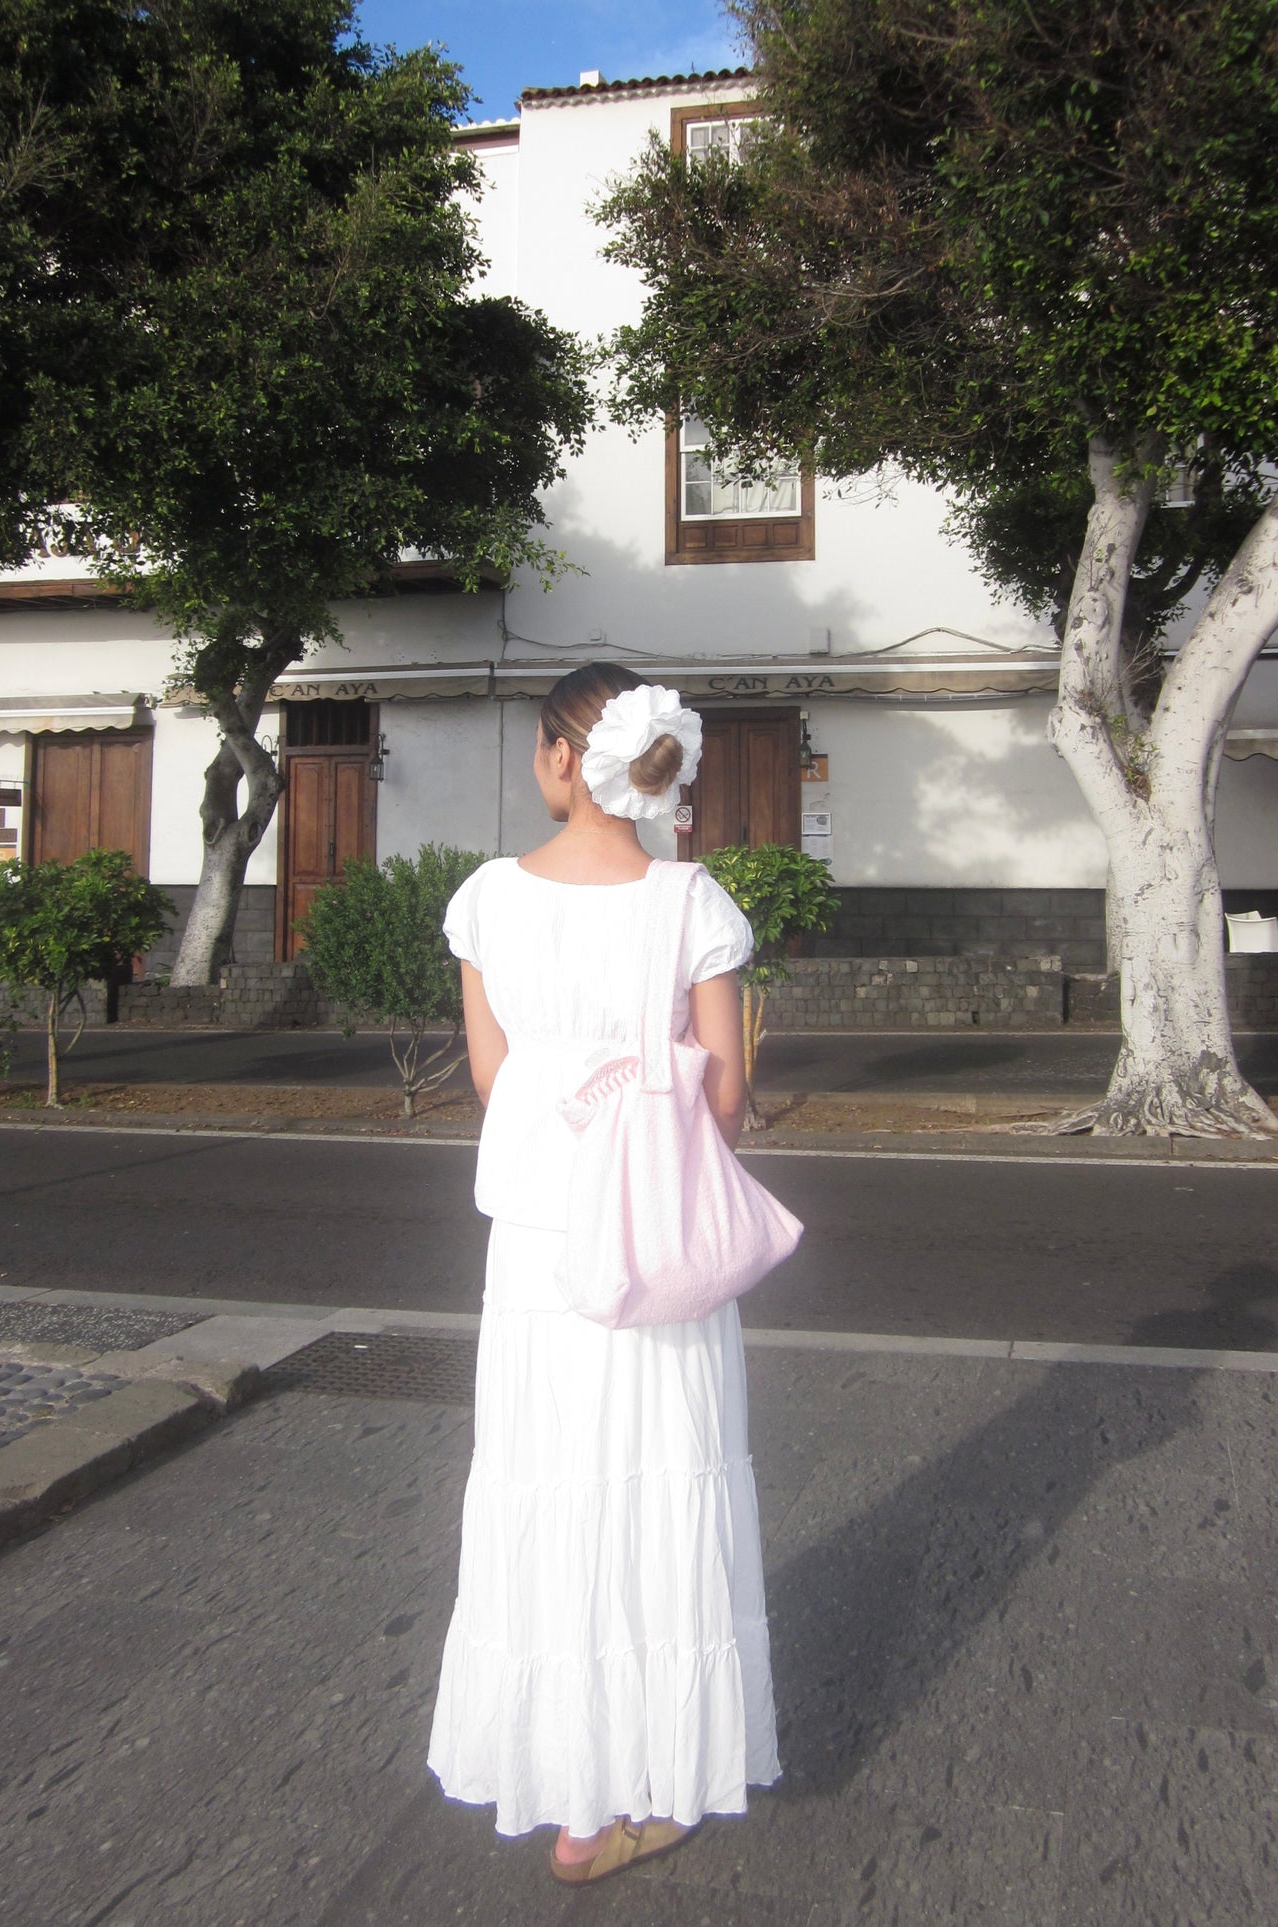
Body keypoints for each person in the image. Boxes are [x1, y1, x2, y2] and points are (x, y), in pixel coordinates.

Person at [427, 663, 781, 1886]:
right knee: (655, 1487)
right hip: (655, 1241)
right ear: (646, 765)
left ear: (554, 759)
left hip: (535, 1245)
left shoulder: (486, 900)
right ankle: (643, 1776)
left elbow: (490, 1082)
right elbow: (726, 1104)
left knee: (546, 1489)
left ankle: (564, 1791)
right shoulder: (691, 902)